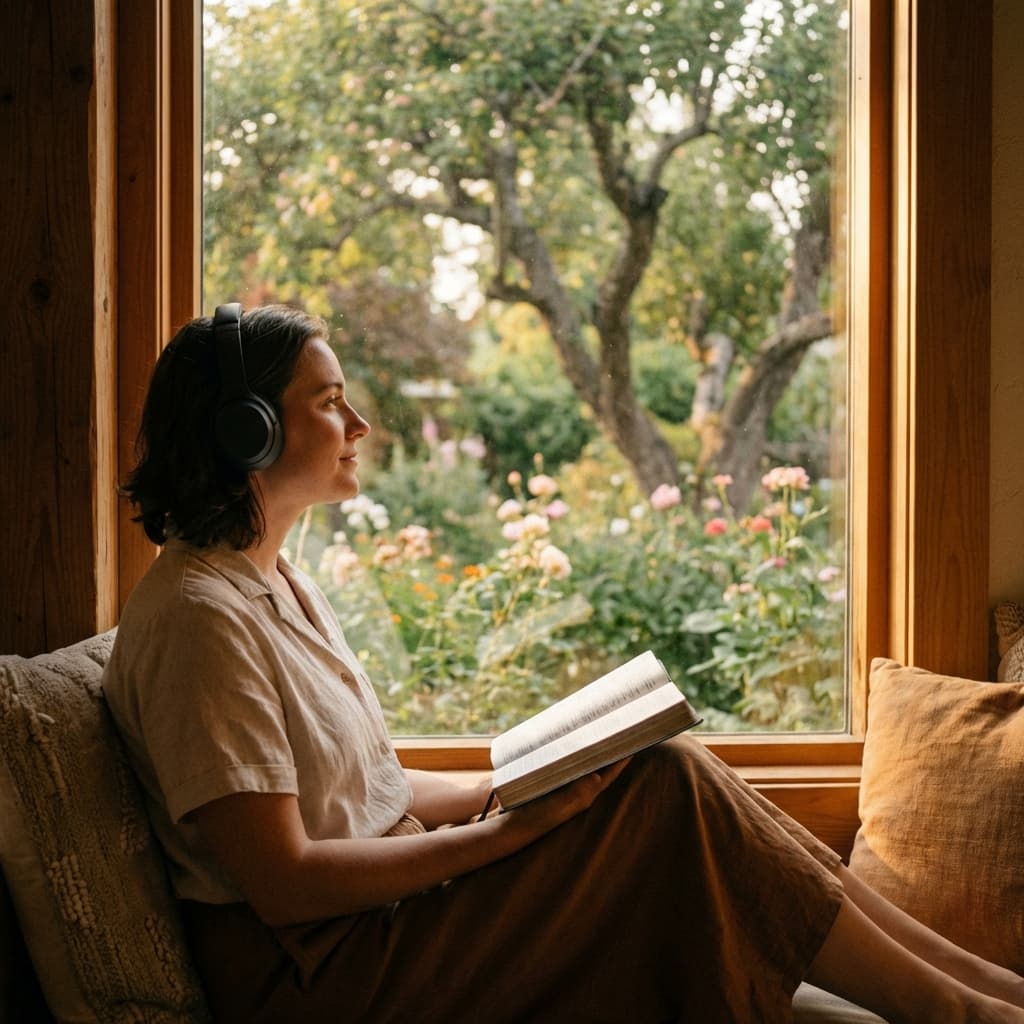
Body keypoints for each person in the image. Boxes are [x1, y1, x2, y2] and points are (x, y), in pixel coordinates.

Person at [102, 303, 1024, 1024]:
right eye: (329, 400)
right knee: (665, 787)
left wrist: (509, 783)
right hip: (325, 978)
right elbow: (286, 879)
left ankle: (976, 984)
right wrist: (505, 837)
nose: (361, 422)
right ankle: (953, 1009)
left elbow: (364, 785)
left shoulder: (275, 581)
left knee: (660, 764)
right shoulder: (198, 619)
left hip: (375, 935)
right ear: (248, 434)